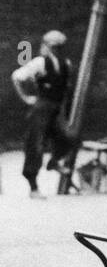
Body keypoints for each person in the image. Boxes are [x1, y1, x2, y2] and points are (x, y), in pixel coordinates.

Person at [11, 30, 73, 198]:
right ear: (46, 46)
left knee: (67, 139)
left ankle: (53, 162)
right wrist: (26, 98)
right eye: (54, 47)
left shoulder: (66, 64)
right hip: (41, 108)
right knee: (35, 146)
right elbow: (17, 77)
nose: (57, 50)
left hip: (56, 109)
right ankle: (33, 188)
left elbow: (65, 90)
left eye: (60, 47)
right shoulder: (40, 62)